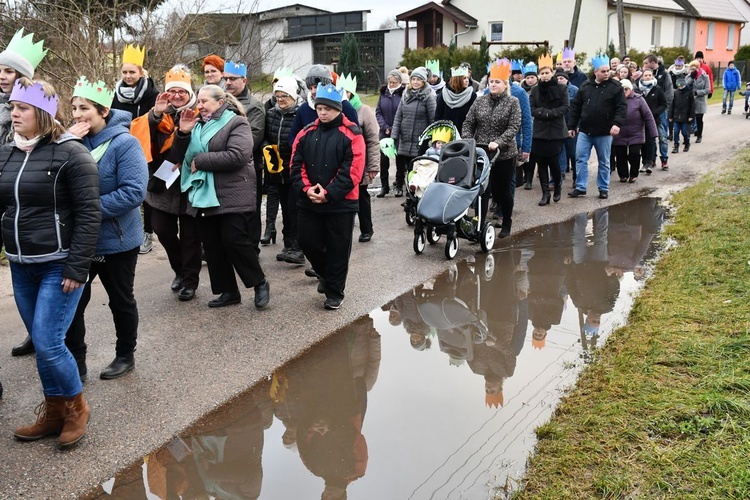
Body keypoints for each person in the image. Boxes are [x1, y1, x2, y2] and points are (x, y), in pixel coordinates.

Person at [0, 78, 101, 447]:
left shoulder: (71, 153)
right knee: (43, 345)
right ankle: (54, 411)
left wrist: (78, 267)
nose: (14, 114)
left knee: (48, 341)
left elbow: (91, 213)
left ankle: (77, 409)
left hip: (58, 264)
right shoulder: (7, 152)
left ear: (42, 113)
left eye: (21, 108)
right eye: (12, 107)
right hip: (20, 264)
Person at [65, 76, 148, 381]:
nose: (76, 114)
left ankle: (125, 354)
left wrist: (87, 211)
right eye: (73, 107)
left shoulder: (124, 144)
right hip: (79, 242)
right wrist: (65, 142)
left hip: (117, 240)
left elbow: (133, 192)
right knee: (73, 303)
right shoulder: (69, 142)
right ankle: (76, 360)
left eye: (83, 108)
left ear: (102, 111)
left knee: (121, 300)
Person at [172, 85, 271, 309]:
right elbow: (177, 158)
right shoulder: (196, 125)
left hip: (232, 193)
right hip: (202, 194)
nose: (200, 106)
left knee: (234, 240)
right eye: (198, 101)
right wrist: (183, 133)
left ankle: (259, 283)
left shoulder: (236, 122)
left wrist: (201, 161)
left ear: (220, 102)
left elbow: (238, 155)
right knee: (213, 245)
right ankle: (228, 291)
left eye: (204, 101)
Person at [290, 83, 365, 310]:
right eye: (319, 108)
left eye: (328, 109)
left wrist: (329, 194)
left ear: (338, 109)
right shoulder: (306, 133)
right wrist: (307, 189)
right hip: (309, 201)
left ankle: (334, 291)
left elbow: (352, 171)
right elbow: (295, 165)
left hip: (341, 204)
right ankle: (325, 275)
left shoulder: (352, 134)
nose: (323, 113)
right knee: (307, 242)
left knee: (338, 249)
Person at [132, 65, 203, 302]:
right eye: (172, 91)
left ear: (189, 92)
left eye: (181, 91)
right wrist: (154, 116)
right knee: (163, 231)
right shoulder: (157, 114)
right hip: (162, 182)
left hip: (189, 183)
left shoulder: (200, 112)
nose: (176, 95)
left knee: (191, 237)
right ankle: (180, 271)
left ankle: (190, 282)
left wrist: (184, 134)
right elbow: (141, 139)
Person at [0, 29, 50, 359]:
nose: (1, 76)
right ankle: (36, 332)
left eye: (8, 71)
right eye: (0, 70)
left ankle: (44, 335)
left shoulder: (34, 105)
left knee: (28, 273)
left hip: (20, 194)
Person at [463, 59, 521, 238]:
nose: (493, 84)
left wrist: (499, 141)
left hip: (503, 154)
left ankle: (507, 222)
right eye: (491, 81)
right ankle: (479, 225)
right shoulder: (480, 101)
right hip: (481, 153)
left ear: (505, 84)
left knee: (503, 190)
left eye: (497, 82)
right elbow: (468, 122)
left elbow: (514, 126)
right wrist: (467, 139)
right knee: (482, 190)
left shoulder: (513, 102)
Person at [110, 44, 159, 256]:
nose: (128, 76)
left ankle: (147, 232)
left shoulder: (152, 93)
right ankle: (129, 230)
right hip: (121, 147)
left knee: (144, 191)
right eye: (125, 72)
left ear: (141, 72)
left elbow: (156, 121)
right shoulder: (117, 93)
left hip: (146, 147)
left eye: (132, 72)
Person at [567, 54, 627, 200]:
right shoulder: (586, 87)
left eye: (608, 71)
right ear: (595, 72)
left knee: (604, 161)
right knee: (580, 159)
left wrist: (617, 124)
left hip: (605, 131)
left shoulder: (616, 87)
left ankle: (603, 188)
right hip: (586, 131)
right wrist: (572, 126)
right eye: (603, 71)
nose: (606, 73)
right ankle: (581, 187)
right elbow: (576, 107)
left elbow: (622, 107)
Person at [222, 60, 265, 253]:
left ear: (244, 80)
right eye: (226, 79)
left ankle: (251, 248)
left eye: (233, 79)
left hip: (248, 167)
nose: (228, 82)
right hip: (225, 164)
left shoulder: (254, 106)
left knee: (249, 209)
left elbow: (252, 139)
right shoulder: (221, 100)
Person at [263, 76, 304, 263]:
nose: (280, 99)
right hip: (276, 169)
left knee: (294, 208)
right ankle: (288, 245)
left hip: (294, 169)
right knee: (285, 209)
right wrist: (269, 151)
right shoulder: (271, 113)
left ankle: (297, 247)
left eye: (284, 96)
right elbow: (264, 136)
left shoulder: (300, 114)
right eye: (278, 96)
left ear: (294, 96)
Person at [338, 74, 380, 243]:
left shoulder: (364, 111)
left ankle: (366, 228)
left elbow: (372, 139)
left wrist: (373, 166)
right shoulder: (336, 109)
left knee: (361, 197)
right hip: (342, 162)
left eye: (346, 91)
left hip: (360, 161)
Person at [529, 56, 569, 205]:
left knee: (554, 163)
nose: (544, 75)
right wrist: (543, 113)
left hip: (556, 131)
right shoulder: (534, 89)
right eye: (542, 73)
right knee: (541, 163)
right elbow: (532, 108)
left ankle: (557, 186)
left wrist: (550, 113)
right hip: (539, 131)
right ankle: (545, 193)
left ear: (552, 72)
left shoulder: (562, 88)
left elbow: (565, 107)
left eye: (547, 72)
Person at [391, 66, 436, 197]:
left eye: (419, 80)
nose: (415, 82)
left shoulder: (429, 97)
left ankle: (411, 190)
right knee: (400, 165)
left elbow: (433, 119)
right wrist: (394, 135)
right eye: (413, 79)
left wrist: (430, 139)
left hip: (419, 139)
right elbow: (398, 116)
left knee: (414, 166)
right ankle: (399, 186)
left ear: (424, 82)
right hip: (404, 137)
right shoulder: (405, 95)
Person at [612, 79, 657, 183]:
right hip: (619, 133)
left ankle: (633, 174)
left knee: (634, 154)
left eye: (626, 89)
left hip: (636, 133)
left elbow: (648, 116)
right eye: (621, 89)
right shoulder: (615, 100)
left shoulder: (639, 99)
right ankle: (623, 175)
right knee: (620, 156)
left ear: (630, 89)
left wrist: (653, 133)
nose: (624, 91)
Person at [374, 69, 404, 197]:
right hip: (385, 132)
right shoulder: (383, 94)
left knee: (400, 160)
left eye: (394, 82)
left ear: (399, 82)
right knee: (384, 161)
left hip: (399, 132)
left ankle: (399, 185)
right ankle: (384, 186)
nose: (391, 84)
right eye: (389, 82)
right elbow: (378, 112)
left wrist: (395, 128)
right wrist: (384, 126)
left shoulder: (403, 94)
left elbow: (404, 112)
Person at [641, 54, 673, 170]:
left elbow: (669, 93)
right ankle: (652, 159)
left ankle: (664, 159)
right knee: (651, 137)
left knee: (662, 135)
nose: (644, 66)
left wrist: (662, 109)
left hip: (660, 111)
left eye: (646, 63)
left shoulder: (664, 74)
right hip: (647, 113)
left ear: (652, 63)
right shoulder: (642, 78)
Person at [635, 69, 667, 175]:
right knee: (641, 142)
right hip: (639, 120)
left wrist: (655, 112)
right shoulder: (638, 89)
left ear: (652, 76)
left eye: (649, 75)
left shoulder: (657, 89)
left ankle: (649, 163)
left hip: (652, 119)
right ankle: (643, 162)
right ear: (642, 77)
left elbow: (663, 104)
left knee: (650, 141)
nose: (648, 77)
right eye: (646, 75)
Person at [435, 65, 477, 132]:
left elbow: (474, 118)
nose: (467, 80)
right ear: (457, 80)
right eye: (464, 78)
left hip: (465, 134)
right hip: (446, 134)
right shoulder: (444, 94)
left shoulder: (471, 95)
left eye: (467, 78)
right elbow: (438, 117)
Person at [555, 69, 578, 185]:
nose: (559, 80)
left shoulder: (574, 90)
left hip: (571, 127)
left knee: (573, 153)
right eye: (557, 78)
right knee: (559, 153)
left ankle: (576, 178)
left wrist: (576, 126)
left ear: (566, 79)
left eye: (561, 78)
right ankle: (559, 177)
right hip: (558, 127)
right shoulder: (553, 90)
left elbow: (579, 109)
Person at [669, 77, 695, 155]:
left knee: (684, 131)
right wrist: (670, 116)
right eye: (678, 84)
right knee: (676, 131)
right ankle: (676, 146)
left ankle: (687, 143)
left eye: (682, 84)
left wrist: (691, 116)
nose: (680, 86)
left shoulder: (689, 92)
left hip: (686, 116)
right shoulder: (676, 92)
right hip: (676, 116)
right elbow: (672, 105)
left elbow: (692, 105)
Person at [687, 60, 709, 144]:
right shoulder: (689, 76)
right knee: (689, 119)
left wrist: (697, 92)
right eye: (691, 69)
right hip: (690, 101)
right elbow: (685, 85)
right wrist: (692, 78)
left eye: (694, 68)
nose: (692, 70)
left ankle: (699, 135)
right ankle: (687, 137)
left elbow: (707, 89)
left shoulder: (704, 77)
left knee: (699, 119)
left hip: (700, 101)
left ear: (698, 68)